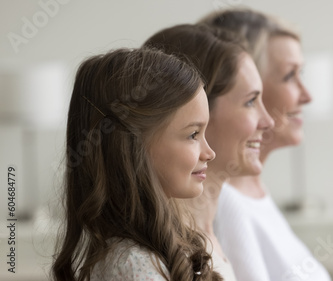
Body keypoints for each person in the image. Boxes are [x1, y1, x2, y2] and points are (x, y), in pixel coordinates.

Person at [51, 47, 223, 281]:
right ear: (134, 148)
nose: (210, 153)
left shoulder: (147, 254)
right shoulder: (133, 266)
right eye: (193, 134)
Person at [200, 9, 332, 281]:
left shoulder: (254, 194)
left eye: (301, 74)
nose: (307, 95)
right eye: (289, 76)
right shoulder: (224, 207)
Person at [144, 24, 274, 281]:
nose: (268, 121)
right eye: (250, 101)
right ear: (198, 110)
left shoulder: (213, 232)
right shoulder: (155, 255)